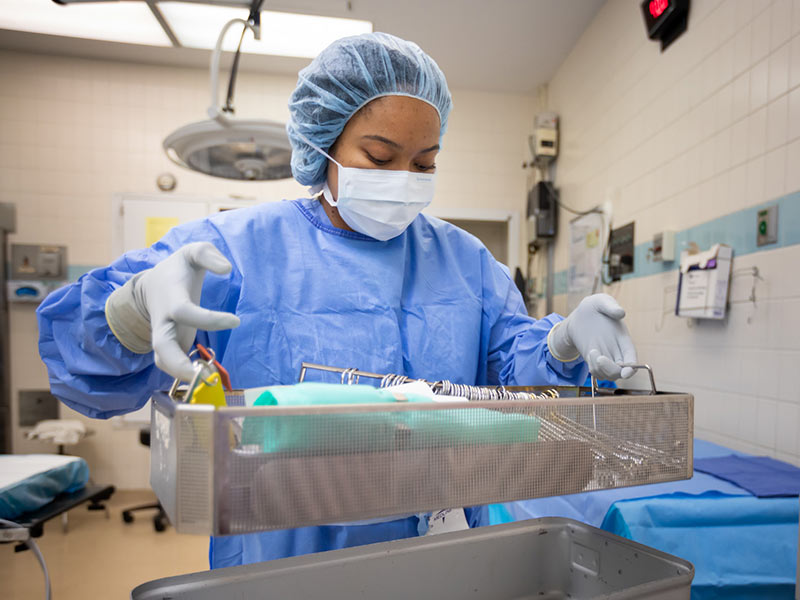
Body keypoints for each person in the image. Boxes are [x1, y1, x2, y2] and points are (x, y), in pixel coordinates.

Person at [37, 32, 637, 568]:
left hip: (445, 555)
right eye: (379, 158)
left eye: (424, 164)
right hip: (283, 558)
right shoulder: (233, 248)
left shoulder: (465, 261)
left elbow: (511, 381)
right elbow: (79, 370)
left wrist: (559, 343)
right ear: (322, 144)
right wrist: (132, 309)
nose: (404, 177)